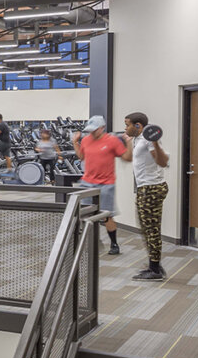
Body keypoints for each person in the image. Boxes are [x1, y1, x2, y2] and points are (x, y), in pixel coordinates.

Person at [122, 112, 170, 281]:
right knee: (145, 228)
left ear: (137, 125)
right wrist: (128, 141)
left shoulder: (149, 139)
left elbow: (163, 162)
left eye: (127, 124)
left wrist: (156, 142)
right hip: (144, 188)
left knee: (151, 229)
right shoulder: (137, 139)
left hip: (152, 188)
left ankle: (155, 270)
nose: (125, 127)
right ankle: (154, 265)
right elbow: (127, 158)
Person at [72, 115, 127, 255]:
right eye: (90, 130)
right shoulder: (86, 140)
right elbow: (81, 156)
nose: (91, 133)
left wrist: (129, 142)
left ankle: (114, 244)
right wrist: (75, 142)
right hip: (87, 183)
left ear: (102, 128)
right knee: (84, 214)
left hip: (106, 184)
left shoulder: (112, 140)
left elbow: (126, 157)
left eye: (94, 130)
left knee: (107, 215)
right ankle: (90, 242)